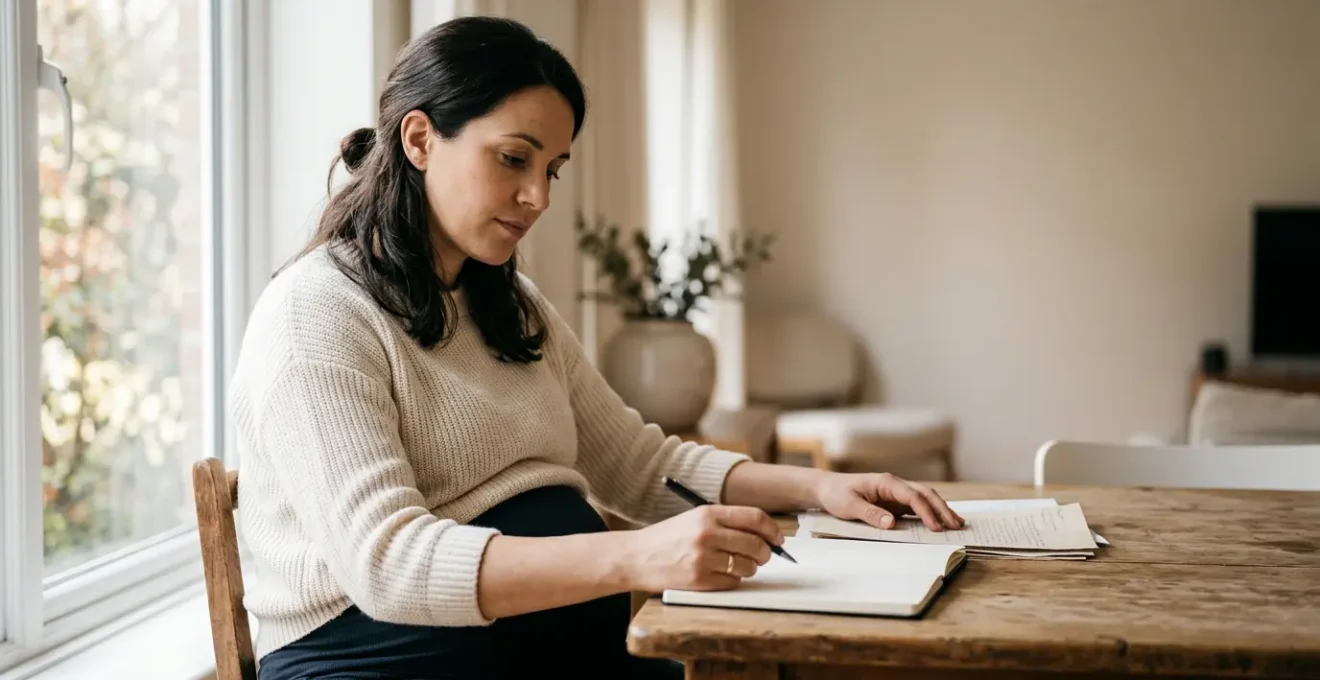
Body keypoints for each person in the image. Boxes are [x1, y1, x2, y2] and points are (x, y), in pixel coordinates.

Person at [229, 15, 964, 680]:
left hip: (549, 648)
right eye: (514, 158)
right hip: (380, 662)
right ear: (420, 140)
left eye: (551, 169)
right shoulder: (315, 316)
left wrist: (817, 490)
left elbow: (641, 464)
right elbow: (386, 565)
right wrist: (637, 556)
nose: (539, 198)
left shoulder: (509, 305)